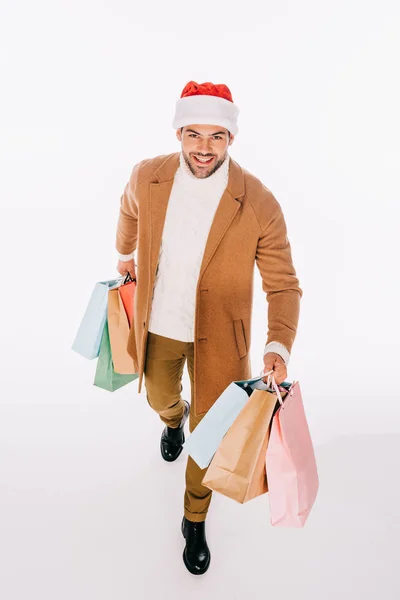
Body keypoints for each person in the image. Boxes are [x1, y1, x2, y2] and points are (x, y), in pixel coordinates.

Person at [115, 80, 303, 575]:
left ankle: (194, 517)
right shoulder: (148, 177)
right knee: (159, 396)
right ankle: (172, 418)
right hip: (161, 324)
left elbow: (284, 284)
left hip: (223, 335)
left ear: (231, 139)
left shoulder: (258, 200)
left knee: (209, 435)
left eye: (216, 136)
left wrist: (278, 344)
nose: (203, 148)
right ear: (179, 132)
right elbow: (128, 210)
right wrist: (123, 255)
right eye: (194, 134)